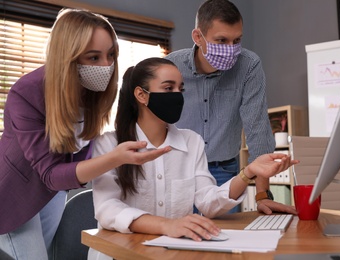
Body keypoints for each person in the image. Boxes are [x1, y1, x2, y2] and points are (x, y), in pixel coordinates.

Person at [0, 9, 169, 260]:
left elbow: (79, 158)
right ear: (68, 57)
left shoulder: (92, 92)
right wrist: (115, 158)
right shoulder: (26, 93)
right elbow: (49, 173)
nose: (106, 66)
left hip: (53, 192)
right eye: (94, 57)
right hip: (13, 196)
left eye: (111, 55)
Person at [89, 57, 298, 259]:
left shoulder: (192, 142)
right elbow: (107, 209)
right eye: (168, 88)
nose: (177, 96)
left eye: (181, 89)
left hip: (175, 252)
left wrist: (248, 172)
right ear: (141, 95)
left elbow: (208, 202)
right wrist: (165, 225)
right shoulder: (108, 145)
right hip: (122, 253)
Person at [165, 0, 296, 214]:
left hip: (224, 172)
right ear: (198, 37)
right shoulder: (172, 66)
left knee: (225, 241)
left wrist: (263, 195)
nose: (230, 50)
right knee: (177, 240)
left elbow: (257, 129)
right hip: (177, 169)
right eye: (221, 40)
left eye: (237, 41)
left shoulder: (248, 65)